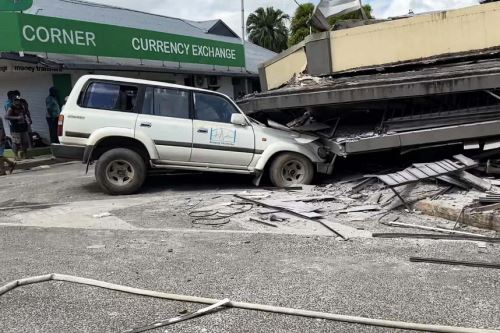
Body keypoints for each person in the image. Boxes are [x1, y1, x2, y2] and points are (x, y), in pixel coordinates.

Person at [5, 95, 30, 160]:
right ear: (14, 101)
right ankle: (15, 156)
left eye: (19, 100)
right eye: (16, 100)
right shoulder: (11, 107)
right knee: (16, 142)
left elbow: (25, 114)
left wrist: (27, 119)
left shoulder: (22, 107)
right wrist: (17, 118)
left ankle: (25, 155)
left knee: (25, 141)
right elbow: (6, 117)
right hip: (15, 128)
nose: (18, 101)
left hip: (23, 126)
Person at [0, 111, 16, 175]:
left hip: (1, 139)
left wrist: (0, 140)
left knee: (0, 156)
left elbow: (1, 130)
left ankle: (3, 171)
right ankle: (11, 164)